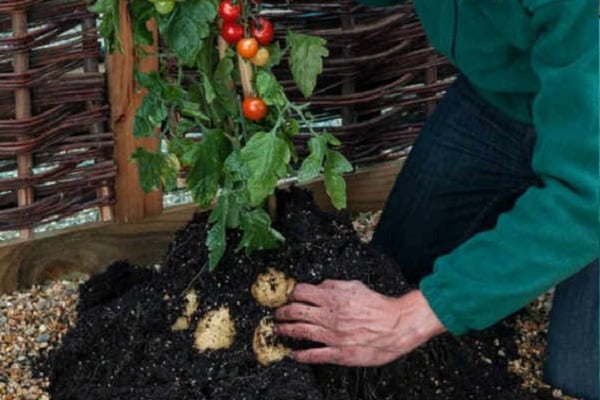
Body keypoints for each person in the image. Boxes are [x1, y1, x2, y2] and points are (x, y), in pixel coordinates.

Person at [274, 1, 599, 399]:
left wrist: (413, 317)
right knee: (392, 270)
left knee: (579, 378)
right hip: (501, 94)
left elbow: (588, 198)